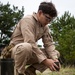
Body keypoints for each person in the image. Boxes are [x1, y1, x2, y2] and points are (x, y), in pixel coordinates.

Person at [9, 1, 61, 75]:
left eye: (50, 20)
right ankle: (19, 73)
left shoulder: (45, 27)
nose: (48, 22)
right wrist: (45, 61)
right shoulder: (27, 20)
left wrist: (55, 59)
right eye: (47, 18)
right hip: (16, 52)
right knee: (26, 47)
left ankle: (30, 71)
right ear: (40, 13)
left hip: (30, 52)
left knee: (55, 53)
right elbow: (30, 42)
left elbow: (49, 44)